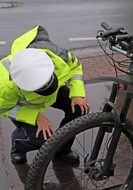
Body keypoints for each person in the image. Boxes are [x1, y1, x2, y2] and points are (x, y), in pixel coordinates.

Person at [0, 26, 90, 163]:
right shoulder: (5, 84)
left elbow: (75, 66)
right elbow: (4, 108)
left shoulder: (55, 54)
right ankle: (18, 144)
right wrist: (35, 116)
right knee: (44, 139)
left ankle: (62, 148)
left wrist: (77, 94)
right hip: (24, 106)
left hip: (51, 96)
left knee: (78, 108)